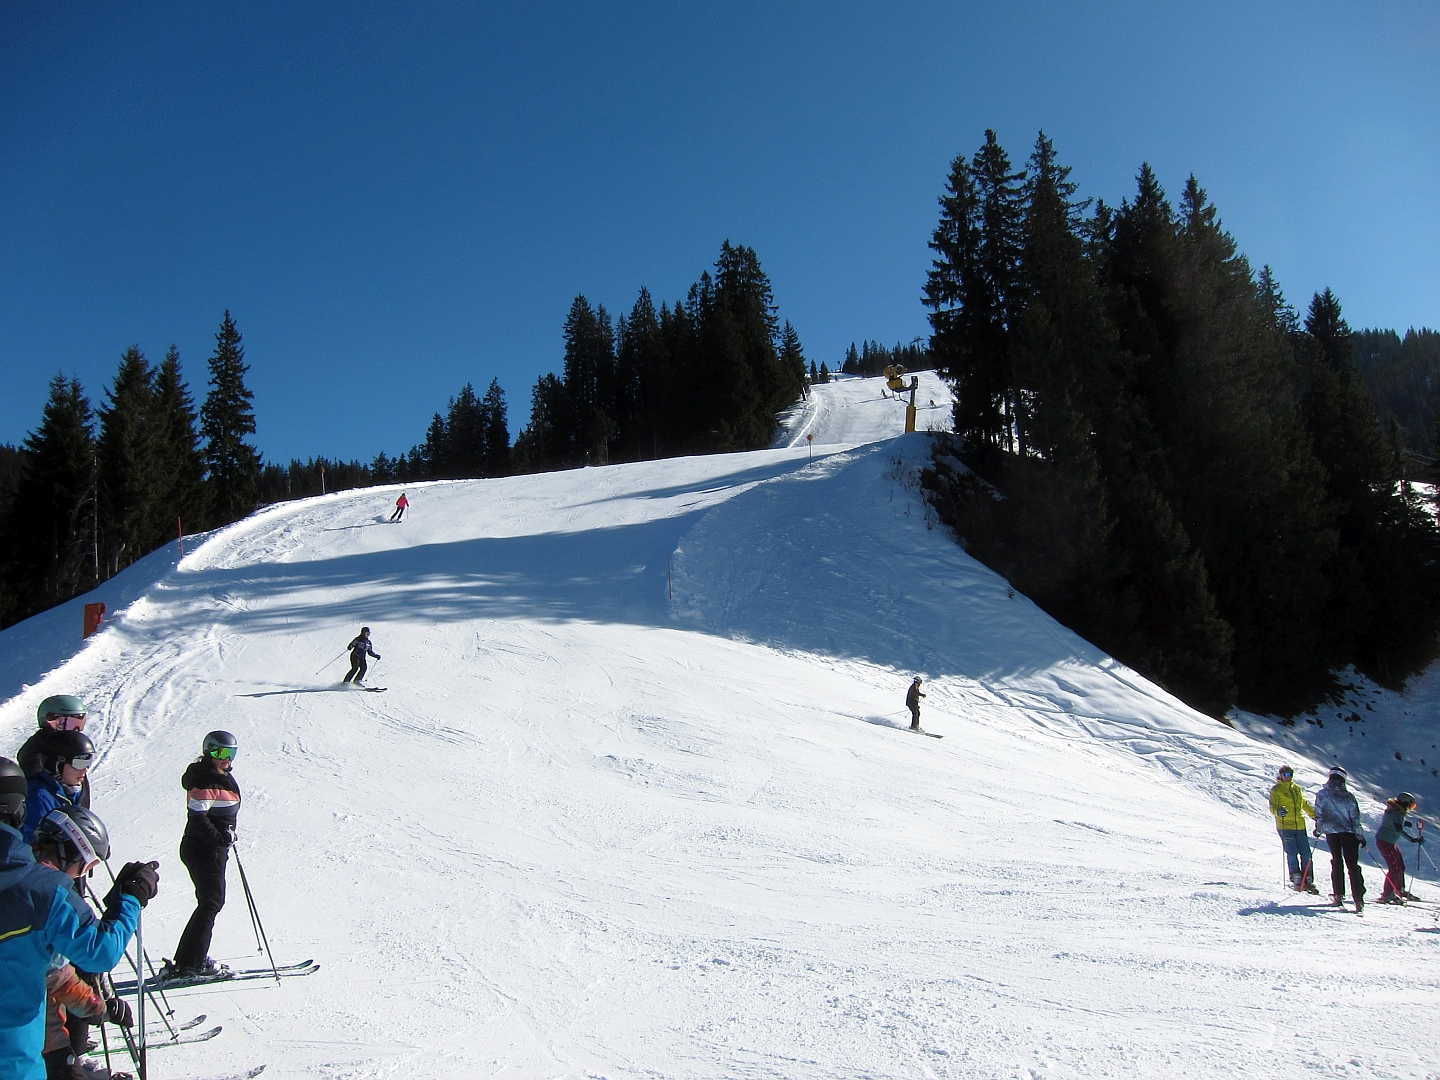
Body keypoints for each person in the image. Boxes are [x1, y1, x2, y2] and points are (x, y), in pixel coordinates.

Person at [0, 767, 158, 1080]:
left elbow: (56, 974)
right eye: (85, 866)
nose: (79, 875)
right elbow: (101, 952)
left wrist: (98, 1005)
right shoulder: (45, 890)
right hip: (12, 1058)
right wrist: (130, 900)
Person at [162, 731, 241, 980]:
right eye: (220, 753)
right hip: (204, 850)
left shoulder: (217, 776)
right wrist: (220, 838)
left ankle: (189, 959)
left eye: (230, 753)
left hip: (208, 849)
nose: (226, 759)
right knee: (211, 902)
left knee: (210, 902)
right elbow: (197, 817)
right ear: (208, 752)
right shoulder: (206, 779)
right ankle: (191, 963)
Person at [16, 698, 90, 809]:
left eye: (79, 723)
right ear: (48, 721)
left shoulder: (70, 748)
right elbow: (38, 797)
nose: (75, 730)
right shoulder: (36, 753)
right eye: (68, 724)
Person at [21, 732, 93, 845]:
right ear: (56, 764)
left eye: (88, 762)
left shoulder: (75, 793)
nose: (85, 769)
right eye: (78, 763)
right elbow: (34, 844)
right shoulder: (38, 797)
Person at [1313, 766, 1365, 912]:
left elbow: (1319, 815)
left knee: (1337, 861)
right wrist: (1360, 835)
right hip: (1349, 833)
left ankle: (1338, 895)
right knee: (1353, 865)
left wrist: (1318, 831)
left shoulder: (1322, 795)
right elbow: (1355, 818)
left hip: (1332, 833)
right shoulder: (1349, 796)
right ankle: (1358, 899)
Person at [1269, 765, 1318, 892]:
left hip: (1300, 825)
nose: (1288, 777)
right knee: (1292, 852)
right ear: (1280, 775)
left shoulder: (1297, 789)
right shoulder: (1276, 790)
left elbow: (1304, 803)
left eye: (1290, 774)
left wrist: (1314, 816)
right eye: (1285, 774)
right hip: (1285, 825)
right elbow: (1273, 807)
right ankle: (1296, 876)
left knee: (1306, 852)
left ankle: (1307, 877)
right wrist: (1278, 812)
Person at [1375, 792, 1421, 904]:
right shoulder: (1396, 813)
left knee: (1400, 866)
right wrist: (1412, 839)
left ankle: (1399, 890)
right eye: (1411, 806)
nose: (1410, 808)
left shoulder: (1396, 811)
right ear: (1405, 803)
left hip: (1390, 842)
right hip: (1385, 841)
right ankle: (1387, 894)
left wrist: (1405, 823)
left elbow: (1394, 823)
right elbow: (1398, 829)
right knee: (1394, 867)